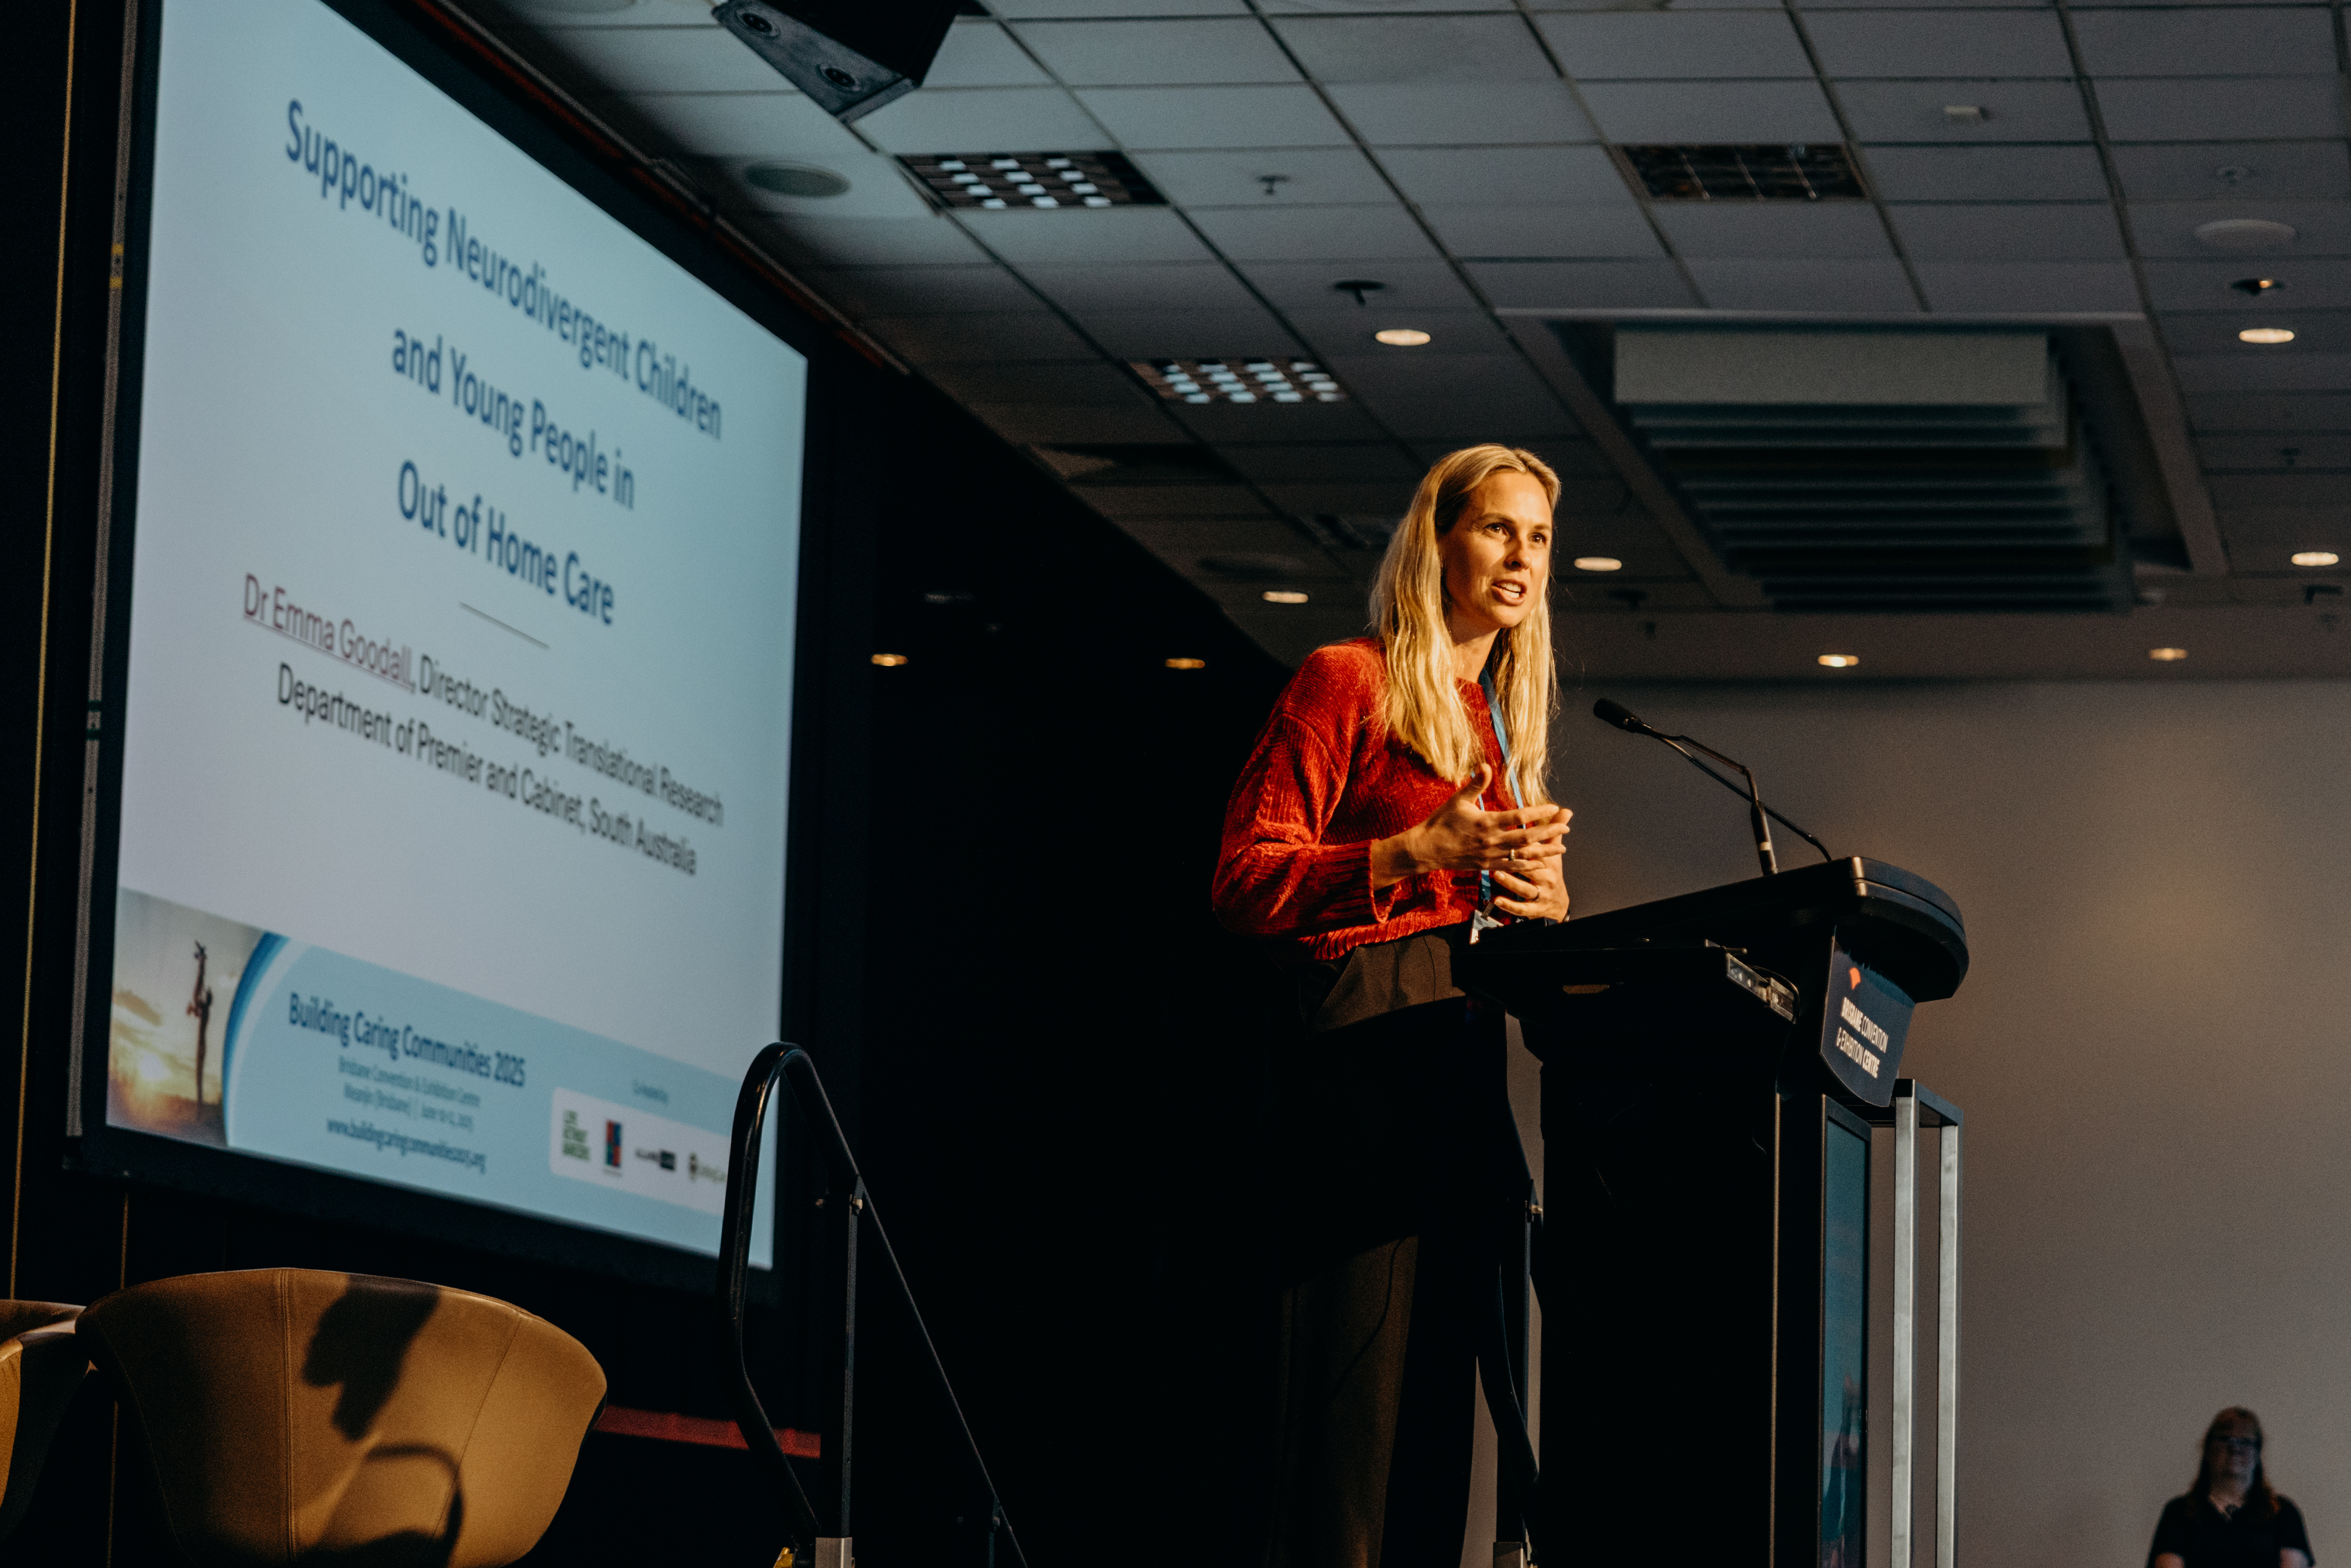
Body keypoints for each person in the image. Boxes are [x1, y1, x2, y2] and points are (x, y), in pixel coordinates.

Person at [1213, 444, 1573, 1567]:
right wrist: (1408, 851)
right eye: (1498, 530)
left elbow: (1492, 933)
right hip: (1360, 1083)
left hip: (1461, 1082)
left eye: (1540, 539)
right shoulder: (1346, 679)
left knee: (1438, 1454)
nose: (1522, 557)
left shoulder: (1500, 724)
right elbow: (1243, 881)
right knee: (1348, 1457)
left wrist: (1545, 915)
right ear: (1439, 542)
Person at [2148, 1407, 2314, 1568]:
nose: (2235, 1449)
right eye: (2225, 1439)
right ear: (2208, 1449)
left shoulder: (2284, 1514)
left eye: (2245, 1442)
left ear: (2257, 1454)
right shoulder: (2178, 1513)